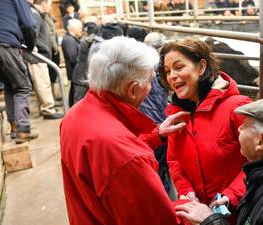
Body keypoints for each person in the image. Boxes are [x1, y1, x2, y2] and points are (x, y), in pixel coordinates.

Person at [60, 36, 189, 225]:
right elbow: (156, 219)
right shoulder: (126, 157)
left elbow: (105, 163)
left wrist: (156, 134)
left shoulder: (74, 116)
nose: (151, 87)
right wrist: (194, 210)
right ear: (132, 90)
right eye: (149, 81)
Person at [159, 38, 252, 213]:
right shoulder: (177, 115)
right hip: (197, 213)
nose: (172, 76)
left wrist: (231, 196)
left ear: (201, 67)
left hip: (236, 212)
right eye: (167, 71)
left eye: (179, 68)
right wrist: (187, 191)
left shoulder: (236, 108)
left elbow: (258, 159)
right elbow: (174, 160)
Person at [0, 0, 38, 143]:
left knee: (11, 86)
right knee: (23, 86)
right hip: (6, 44)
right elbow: (29, 24)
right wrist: (30, 45)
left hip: (3, 44)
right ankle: (23, 130)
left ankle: (14, 127)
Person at [141, 32, 174, 197]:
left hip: (142, 124)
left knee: (154, 168)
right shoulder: (162, 68)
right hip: (160, 125)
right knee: (163, 168)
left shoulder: (138, 66)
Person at [25, 0, 63, 120]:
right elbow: (32, 34)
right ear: (43, 3)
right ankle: (48, 110)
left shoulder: (36, 14)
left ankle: (45, 107)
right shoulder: (35, 14)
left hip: (38, 55)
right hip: (37, 57)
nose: (51, 7)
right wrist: (34, 47)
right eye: (49, 4)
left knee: (41, 84)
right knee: (43, 84)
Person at [61, 19, 83, 106]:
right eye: (80, 28)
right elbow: (73, 57)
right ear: (74, 29)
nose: (81, 30)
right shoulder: (69, 40)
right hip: (74, 72)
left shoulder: (71, 38)